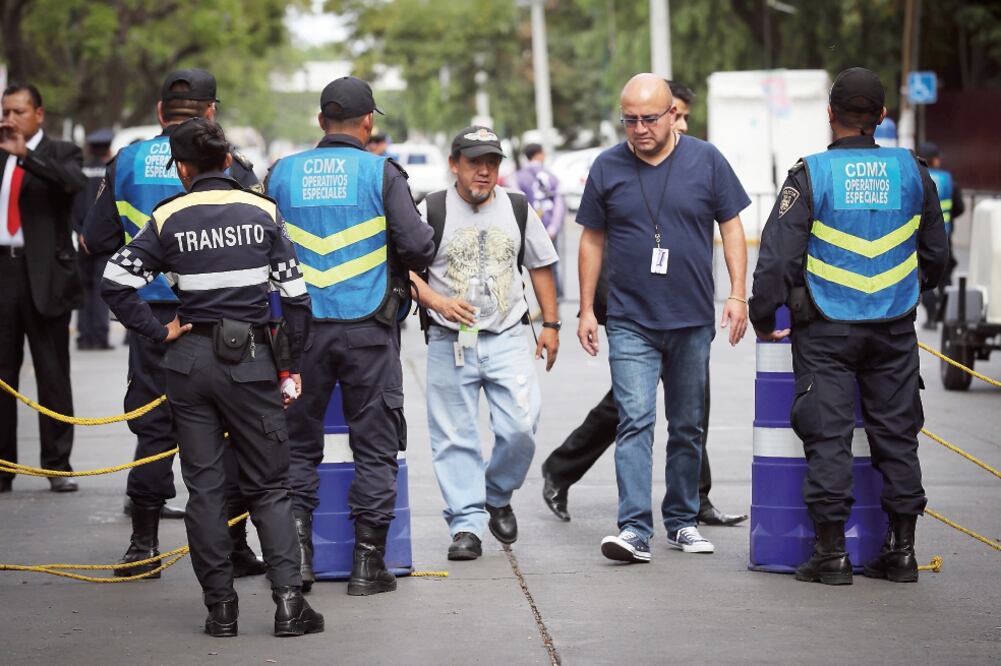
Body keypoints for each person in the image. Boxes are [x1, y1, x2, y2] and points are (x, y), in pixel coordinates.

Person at [101, 117, 322, 637]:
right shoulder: (263, 212)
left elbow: (114, 281)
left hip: (189, 361)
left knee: (203, 489)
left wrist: (159, 331)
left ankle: (220, 610)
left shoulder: (167, 216)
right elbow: (296, 299)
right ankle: (289, 606)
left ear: (182, 168)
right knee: (269, 487)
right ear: (227, 161)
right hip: (250, 361)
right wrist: (289, 369)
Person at [749, 67, 948, 585]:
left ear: (831, 114)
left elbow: (776, 261)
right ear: (881, 117)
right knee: (898, 437)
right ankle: (902, 553)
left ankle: (831, 555)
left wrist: (765, 317)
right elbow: (937, 256)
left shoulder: (811, 174)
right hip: (895, 327)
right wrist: (900, 292)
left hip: (826, 330)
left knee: (829, 437)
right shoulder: (912, 171)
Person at [83, 69, 267, 577]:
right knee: (230, 429)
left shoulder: (125, 161)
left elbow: (95, 240)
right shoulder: (233, 164)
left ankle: (143, 546)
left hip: (151, 318)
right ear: (212, 112)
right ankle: (234, 546)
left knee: (152, 427)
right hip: (221, 318)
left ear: (161, 112)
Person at [542, 80, 747, 529]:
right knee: (633, 418)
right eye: (629, 119)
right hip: (630, 316)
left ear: (673, 114)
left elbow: (731, 226)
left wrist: (737, 293)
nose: (638, 129)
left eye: (648, 119)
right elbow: (590, 240)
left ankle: (684, 519)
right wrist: (587, 311)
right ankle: (634, 527)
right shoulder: (607, 167)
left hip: (691, 317)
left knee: (688, 425)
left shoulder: (707, 160)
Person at [267, 76, 435, 595]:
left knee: (296, 447)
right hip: (367, 331)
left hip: (300, 334)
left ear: (321, 121)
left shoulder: (280, 174)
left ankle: (298, 562)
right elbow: (418, 247)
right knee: (376, 445)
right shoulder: (380, 171)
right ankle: (367, 566)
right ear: (368, 123)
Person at [410, 125, 560, 561]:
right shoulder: (429, 208)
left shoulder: (516, 207)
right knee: (454, 436)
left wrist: (551, 324)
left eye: (492, 163)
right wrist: (437, 300)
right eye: (475, 162)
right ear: (454, 164)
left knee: (521, 426)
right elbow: (404, 268)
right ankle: (466, 525)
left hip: (507, 335)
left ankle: (495, 493)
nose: (484, 171)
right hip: (448, 340)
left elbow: (541, 265)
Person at [0, 83, 85, 494]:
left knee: (52, 374)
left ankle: (57, 465)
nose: (9, 120)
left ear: (39, 115)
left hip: (46, 276)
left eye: (17, 112)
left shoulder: (60, 152)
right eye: (5, 112)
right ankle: (2, 467)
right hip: (4, 271)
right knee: (3, 375)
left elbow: (71, 184)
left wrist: (26, 157)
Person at [73, 128, 115, 351]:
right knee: (101, 290)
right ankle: (100, 336)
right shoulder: (110, 171)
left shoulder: (79, 171)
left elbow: (72, 207)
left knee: (84, 289)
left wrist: (80, 232)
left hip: (81, 240)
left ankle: (84, 336)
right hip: (104, 241)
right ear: (108, 148)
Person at [917, 141, 964, 329]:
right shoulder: (948, 180)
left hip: (920, 236)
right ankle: (946, 313)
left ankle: (931, 315)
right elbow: (959, 207)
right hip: (944, 235)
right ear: (934, 160)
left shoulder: (918, 176)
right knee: (945, 276)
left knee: (923, 276)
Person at [512, 143, 566, 300]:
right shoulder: (551, 175)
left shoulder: (519, 176)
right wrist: (554, 228)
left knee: (529, 267)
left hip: (527, 229)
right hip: (549, 228)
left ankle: (538, 304)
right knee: (550, 266)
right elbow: (559, 202)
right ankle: (553, 303)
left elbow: (517, 202)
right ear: (540, 154)